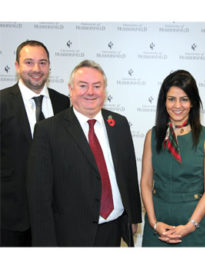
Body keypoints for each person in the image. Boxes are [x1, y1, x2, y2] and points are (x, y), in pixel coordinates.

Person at [27, 59, 142, 246]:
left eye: (97, 86)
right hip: (69, 234)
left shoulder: (119, 124)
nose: (90, 92)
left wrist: (133, 217)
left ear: (104, 90)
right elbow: (39, 196)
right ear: (70, 89)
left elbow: (129, 173)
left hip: (113, 229)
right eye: (83, 85)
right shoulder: (48, 130)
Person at [0, 40, 70, 247]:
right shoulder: (2, 102)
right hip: (10, 218)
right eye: (29, 62)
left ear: (49, 66)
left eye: (42, 63)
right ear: (17, 66)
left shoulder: (64, 103)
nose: (36, 69)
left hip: (56, 216)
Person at [141, 70, 205, 247]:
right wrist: (154, 223)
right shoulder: (152, 136)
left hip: (194, 225)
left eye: (184, 99)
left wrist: (191, 225)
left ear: (192, 102)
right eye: (171, 99)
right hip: (158, 225)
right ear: (164, 102)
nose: (177, 105)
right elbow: (145, 183)